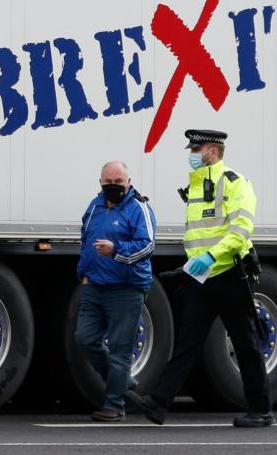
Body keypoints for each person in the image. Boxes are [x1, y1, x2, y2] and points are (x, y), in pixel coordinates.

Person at [126, 129, 273, 428]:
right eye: (192, 149)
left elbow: (240, 231)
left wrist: (209, 258)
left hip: (230, 273)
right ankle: (158, 403)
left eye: (198, 149)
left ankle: (261, 409)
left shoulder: (234, 183)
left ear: (214, 152)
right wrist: (189, 268)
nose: (193, 154)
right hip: (203, 275)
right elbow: (199, 237)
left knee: (245, 343)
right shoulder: (196, 186)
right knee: (188, 342)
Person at [75, 160, 156, 422]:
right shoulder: (95, 206)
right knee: (84, 339)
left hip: (126, 289)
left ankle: (114, 405)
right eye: (108, 182)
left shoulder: (139, 208)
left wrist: (117, 250)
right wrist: (83, 271)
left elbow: (147, 246)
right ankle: (123, 381)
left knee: (121, 349)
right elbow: (85, 239)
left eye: (118, 182)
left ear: (128, 182)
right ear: (100, 182)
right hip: (94, 286)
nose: (113, 186)